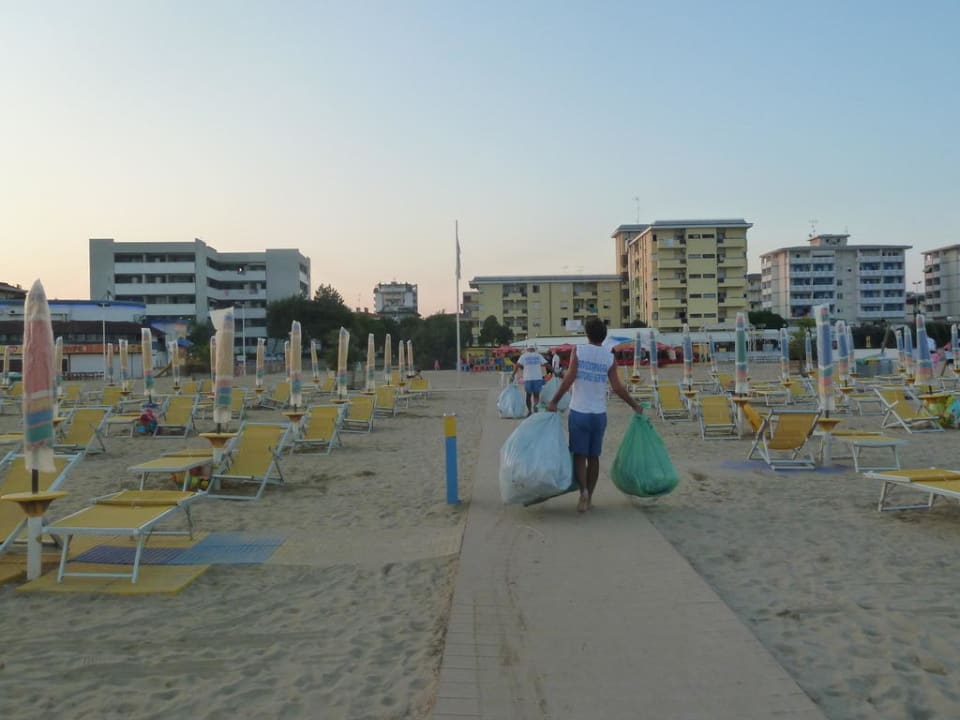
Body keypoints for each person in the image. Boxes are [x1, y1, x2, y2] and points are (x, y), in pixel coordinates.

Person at [547, 319, 643, 513]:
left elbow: (569, 379)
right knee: (594, 457)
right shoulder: (609, 357)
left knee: (579, 456)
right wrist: (634, 405)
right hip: (599, 414)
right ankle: (590, 497)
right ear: (604, 335)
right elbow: (617, 387)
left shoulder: (579, 351)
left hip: (579, 412)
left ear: (587, 334)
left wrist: (555, 400)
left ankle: (582, 493)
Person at [511, 344, 548, 416]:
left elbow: (517, 365)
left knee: (528, 395)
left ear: (527, 349)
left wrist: (512, 375)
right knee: (536, 395)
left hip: (528, 379)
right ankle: (536, 408)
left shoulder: (524, 356)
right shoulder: (538, 355)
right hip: (537, 378)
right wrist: (554, 371)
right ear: (534, 349)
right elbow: (546, 364)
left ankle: (529, 411)